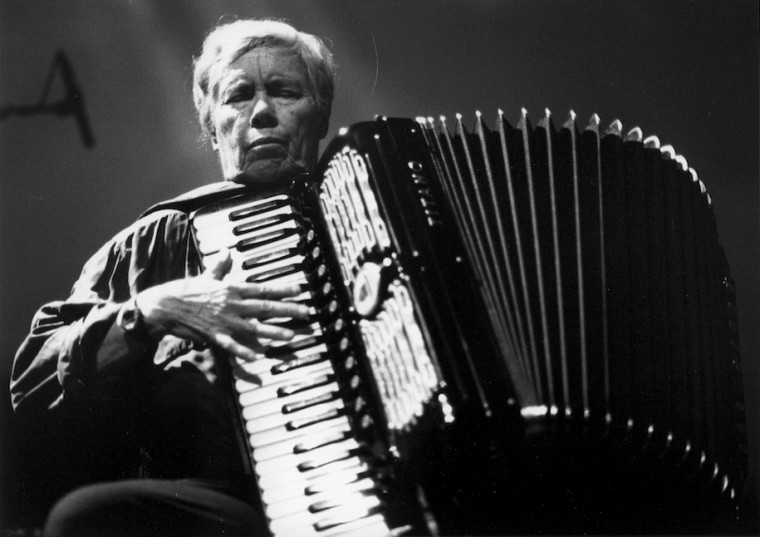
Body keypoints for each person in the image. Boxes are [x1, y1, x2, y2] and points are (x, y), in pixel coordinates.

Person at [9, 18, 335, 537]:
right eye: (239, 96)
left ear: (320, 114)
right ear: (212, 125)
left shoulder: (376, 215)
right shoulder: (161, 237)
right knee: (84, 519)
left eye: (285, 92)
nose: (264, 114)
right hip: (231, 507)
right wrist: (155, 309)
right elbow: (33, 381)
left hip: (385, 479)